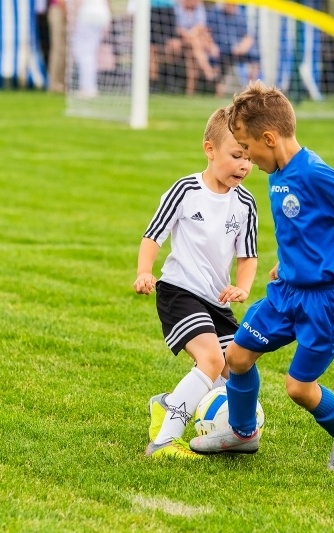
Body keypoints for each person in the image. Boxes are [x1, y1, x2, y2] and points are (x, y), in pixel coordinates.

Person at [189, 81, 334, 474]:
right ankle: (243, 433)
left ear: (270, 138)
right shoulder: (278, 172)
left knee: (298, 388)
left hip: (327, 302)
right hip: (287, 291)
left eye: (247, 148)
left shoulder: (314, 173)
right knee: (237, 356)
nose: (247, 158)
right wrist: (288, 263)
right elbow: (302, 228)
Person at [134, 106, 258, 459]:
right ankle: (163, 441)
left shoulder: (246, 203)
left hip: (217, 301)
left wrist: (243, 287)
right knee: (210, 359)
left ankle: (172, 405)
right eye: (236, 156)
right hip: (179, 291)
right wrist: (144, 271)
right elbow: (153, 235)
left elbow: (248, 255)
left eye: (249, 158)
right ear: (210, 150)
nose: (244, 166)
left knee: (236, 367)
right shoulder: (186, 190)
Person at [206, 2, 259, 97]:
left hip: (237, 49)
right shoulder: (215, 13)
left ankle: (250, 92)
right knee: (215, 58)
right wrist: (211, 46)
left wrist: (242, 47)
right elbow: (207, 32)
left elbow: (248, 37)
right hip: (220, 48)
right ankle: (218, 93)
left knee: (255, 56)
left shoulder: (240, 16)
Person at [174, 0, 218, 95]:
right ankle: (208, 72)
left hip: (193, 41)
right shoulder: (177, 7)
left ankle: (189, 91)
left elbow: (200, 26)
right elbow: (177, 28)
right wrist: (189, 35)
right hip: (180, 40)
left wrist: (191, 34)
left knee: (192, 55)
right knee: (196, 44)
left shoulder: (199, 7)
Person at [71, 0, 112, 98]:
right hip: (102, 15)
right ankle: (89, 87)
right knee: (90, 53)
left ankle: (87, 88)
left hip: (88, 16)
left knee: (84, 53)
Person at [48, 0, 67, 93]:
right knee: (58, 49)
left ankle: (62, 82)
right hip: (58, 9)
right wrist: (63, 5)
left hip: (68, 10)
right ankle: (55, 83)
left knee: (65, 50)